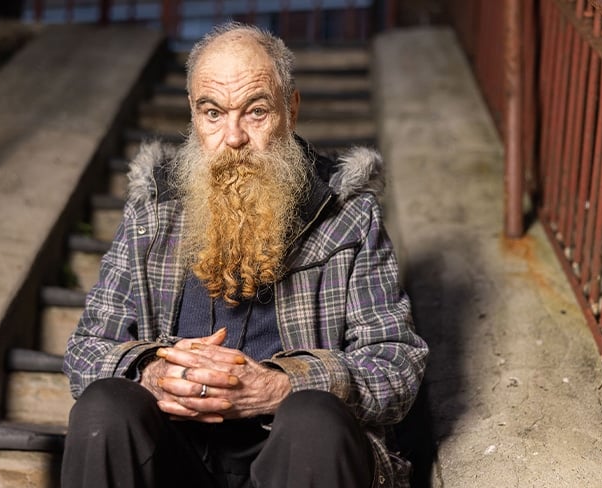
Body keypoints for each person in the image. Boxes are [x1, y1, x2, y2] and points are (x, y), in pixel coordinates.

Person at [61, 21, 428, 488]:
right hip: (176, 455)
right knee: (104, 406)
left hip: (294, 456)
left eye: (255, 112)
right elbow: (85, 350)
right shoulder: (153, 212)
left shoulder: (349, 216)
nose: (232, 138)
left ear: (289, 111)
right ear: (194, 116)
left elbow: (396, 362)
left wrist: (281, 386)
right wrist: (153, 372)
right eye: (212, 113)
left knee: (314, 417)